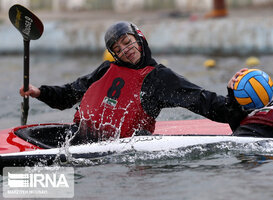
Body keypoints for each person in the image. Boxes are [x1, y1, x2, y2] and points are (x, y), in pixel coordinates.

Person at [20, 21, 245, 143]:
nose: (126, 51)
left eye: (127, 42)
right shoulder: (106, 69)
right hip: (79, 139)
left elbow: (201, 100)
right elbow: (70, 93)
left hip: (123, 151)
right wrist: (39, 92)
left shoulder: (159, 77)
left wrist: (233, 102)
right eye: (118, 49)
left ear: (139, 39)